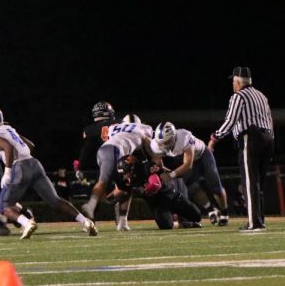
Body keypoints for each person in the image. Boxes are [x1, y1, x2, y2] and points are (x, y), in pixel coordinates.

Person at [0, 106, 98, 238]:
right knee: (55, 200)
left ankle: (27, 223)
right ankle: (86, 221)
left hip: (19, 167)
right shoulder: (8, 129)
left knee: (5, 206)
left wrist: (8, 171)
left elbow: (7, 146)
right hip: (34, 164)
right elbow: (30, 145)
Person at [207, 66, 274, 232]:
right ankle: (259, 219)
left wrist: (214, 138)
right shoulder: (261, 95)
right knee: (259, 182)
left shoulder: (238, 96)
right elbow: (269, 119)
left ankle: (254, 223)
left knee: (250, 182)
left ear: (237, 82)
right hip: (268, 138)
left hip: (250, 137)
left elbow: (230, 121)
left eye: (233, 82)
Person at [82, 114, 154, 231]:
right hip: (114, 152)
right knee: (104, 182)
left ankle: (121, 221)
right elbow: (150, 152)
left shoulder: (116, 129)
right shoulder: (142, 130)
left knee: (126, 186)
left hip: (104, 152)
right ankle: (92, 209)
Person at [151, 122, 229, 226]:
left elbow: (188, 164)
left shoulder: (184, 137)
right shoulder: (156, 144)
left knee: (216, 188)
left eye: (167, 142)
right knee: (192, 188)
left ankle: (224, 212)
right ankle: (211, 210)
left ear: (173, 137)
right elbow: (157, 160)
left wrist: (170, 175)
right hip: (184, 159)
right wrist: (159, 168)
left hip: (202, 156)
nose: (164, 145)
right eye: (161, 142)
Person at [116, 154, 202, 230]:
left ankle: (182, 218)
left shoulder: (147, 168)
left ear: (133, 167)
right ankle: (181, 224)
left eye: (126, 173)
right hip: (157, 204)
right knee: (166, 226)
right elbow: (123, 194)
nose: (125, 176)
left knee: (197, 216)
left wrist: (149, 187)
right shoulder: (126, 182)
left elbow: (156, 184)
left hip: (170, 195)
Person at [79, 101, 118, 170]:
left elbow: (86, 152)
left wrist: (80, 167)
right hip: (121, 160)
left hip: (102, 163)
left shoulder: (89, 129)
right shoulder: (121, 123)